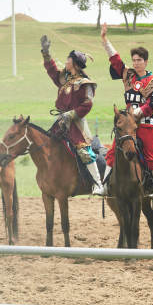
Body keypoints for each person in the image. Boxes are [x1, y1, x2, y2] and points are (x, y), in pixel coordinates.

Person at [101, 23, 153, 199]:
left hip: (145, 123)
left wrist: (138, 112)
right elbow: (115, 60)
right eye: (134, 60)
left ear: (146, 61)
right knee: (112, 152)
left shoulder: (152, 81)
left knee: (151, 154)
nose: (136, 63)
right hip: (128, 125)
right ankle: (104, 185)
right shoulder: (128, 75)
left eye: (139, 60)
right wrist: (105, 40)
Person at [40, 35, 103, 195]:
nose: (66, 61)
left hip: (77, 123)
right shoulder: (65, 79)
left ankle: (98, 184)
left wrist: (70, 114)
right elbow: (52, 71)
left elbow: (87, 104)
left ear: (74, 63)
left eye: (68, 59)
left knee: (83, 150)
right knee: (48, 144)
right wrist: (46, 53)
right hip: (61, 122)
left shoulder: (85, 83)